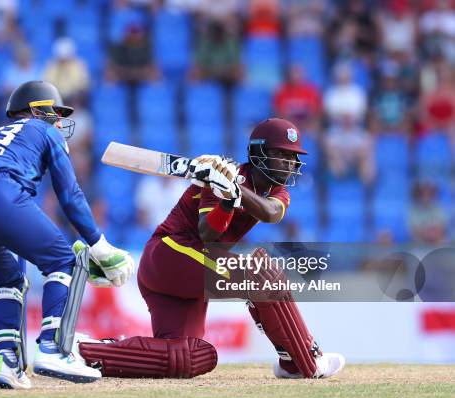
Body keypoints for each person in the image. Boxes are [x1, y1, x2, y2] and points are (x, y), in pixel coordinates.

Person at [78, 118, 345, 380]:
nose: (288, 164)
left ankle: (87, 352)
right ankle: (303, 360)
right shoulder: (218, 179)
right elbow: (208, 234)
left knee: (191, 357)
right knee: (260, 272)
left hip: (187, 274)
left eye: (292, 157)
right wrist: (227, 198)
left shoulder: (273, 190)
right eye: (281, 155)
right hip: (170, 254)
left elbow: (271, 213)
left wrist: (234, 191)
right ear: (258, 153)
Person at [0, 81, 134, 389]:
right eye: (55, 113)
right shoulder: (44, 131)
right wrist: (100, 244)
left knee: (7, 278)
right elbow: (69, 194)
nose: (59, 121)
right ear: (37, 110)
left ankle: (5, 360)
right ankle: (53, 348)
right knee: (62, 259)